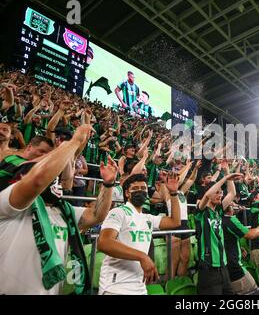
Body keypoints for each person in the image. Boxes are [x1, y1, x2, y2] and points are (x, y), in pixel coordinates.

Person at [0, 124, 116, 294]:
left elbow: (97, 215)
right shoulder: (10, 201)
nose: (52, 166)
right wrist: (74, 141)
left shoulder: (63, 211)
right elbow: (37, 179)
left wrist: (108, 184)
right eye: (43, 154)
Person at [97, 172, 181, 295]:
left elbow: (175, 221)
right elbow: (104, 243)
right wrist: (142, 256)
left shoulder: (147, 218)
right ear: (127, 193)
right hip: (115, 287)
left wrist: (173, 193)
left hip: (139, 287)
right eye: (135, 188)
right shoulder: (118, 212)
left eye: (143, 188)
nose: (140, 191)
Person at [196, 163, 243, 295]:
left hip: (223, 266)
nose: (220, 195)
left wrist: (229, 175)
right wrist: (224, 177)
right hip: (208, 269)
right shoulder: (201, 211)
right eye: (217, 192)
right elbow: (207, 195)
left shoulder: (219, 211)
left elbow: (232, 193)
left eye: (221, 193)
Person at [222, 203, 259, 295]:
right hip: (234, 267)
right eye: (232, 203)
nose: (236, 205)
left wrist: (239, 247)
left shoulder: (218, 219)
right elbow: (250, 235)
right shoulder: (230, 220)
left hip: (223, 268)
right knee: (253, 291)